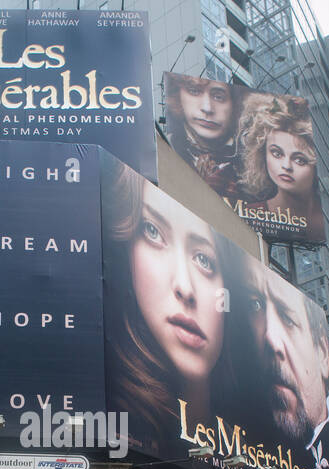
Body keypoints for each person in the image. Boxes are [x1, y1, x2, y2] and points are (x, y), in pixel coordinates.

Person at [102, 160, 243, 452]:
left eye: (204, 260)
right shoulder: (107, 413)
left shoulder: (244, 450)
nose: (185, 287)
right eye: (153, 232)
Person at [239, 260, 329, 469]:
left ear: (323, 353)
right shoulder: (242, 440)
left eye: (288, 318)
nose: (271, 339)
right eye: (255, 305)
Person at [236, 93, 324, 238]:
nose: (286, 166)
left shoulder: (328, 221)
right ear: (262, 154)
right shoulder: (249, 216)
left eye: (299, 160)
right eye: (277, 153)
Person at [163, 72, 241, 199]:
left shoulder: (255, 161)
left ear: (234, 104)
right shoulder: (165, 148)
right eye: (194, 91)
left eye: (218, 97)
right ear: (178, 96)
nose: (207, 108)